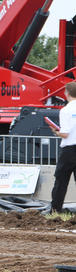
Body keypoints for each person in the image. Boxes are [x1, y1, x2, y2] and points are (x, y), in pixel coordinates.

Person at [48, 81, 76, 213]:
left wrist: (55, 130)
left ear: (67, 93)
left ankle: (55, 211)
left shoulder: (66, 110)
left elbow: (65, 134)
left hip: (69, 150)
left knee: (61, 181)